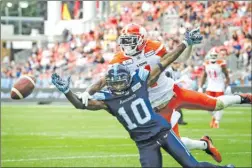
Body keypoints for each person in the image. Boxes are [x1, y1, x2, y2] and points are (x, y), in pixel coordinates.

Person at [78, 23, 252, 163]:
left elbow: (180, 59)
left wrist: (189, 45)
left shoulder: (154, 47)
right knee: (174, 143)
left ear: (142, 40)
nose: (126, 44)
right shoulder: (118, 60)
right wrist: (88, 91)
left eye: (131, 40)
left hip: (173, 91)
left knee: (216, 104)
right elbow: (104, 80)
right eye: (124, 40)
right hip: (157, 106)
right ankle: (204, 144)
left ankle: (243, 98)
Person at [52, 38, 234, 167]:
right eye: (113, 82)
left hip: (163, 133)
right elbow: (80, 104)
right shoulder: (110, 99)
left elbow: (165, 62)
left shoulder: (139, 84)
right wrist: (67, 91)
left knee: (192, 167)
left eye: (119, 81)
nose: (116, 85)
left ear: (127, 79)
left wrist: (185, 43)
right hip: (145, 144)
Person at [198, 48, 231, 128]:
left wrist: (228, 85)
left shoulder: (221, 63)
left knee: (219, 104)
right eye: (212, 55)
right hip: (210, 86)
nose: (213, 57)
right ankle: (214, 117)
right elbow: (204, 75)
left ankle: (217, 121)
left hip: (220, 86)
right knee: (207, 105)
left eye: (215, 55)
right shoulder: (206, 63)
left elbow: (226, 74)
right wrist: (200, 86)